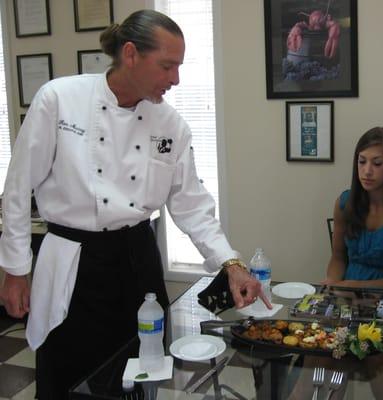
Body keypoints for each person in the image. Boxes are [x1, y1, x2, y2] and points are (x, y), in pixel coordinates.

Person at [0, 10, 270, 400]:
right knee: (69, 374)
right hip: (73, 261)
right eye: (167, 66)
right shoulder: (59, 100)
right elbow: (18, 186)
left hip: (137, 260)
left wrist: (232, 264)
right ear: (130, 55)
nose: (175, 79)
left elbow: (192, 205)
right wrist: (15, 269)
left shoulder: (171, 125)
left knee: (143, 370)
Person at [324, 127, 383, 287]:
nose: (367, 171)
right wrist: (332, 282)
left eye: (377, 163)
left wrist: (354, 287)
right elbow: (338, 257)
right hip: (346, 296)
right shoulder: (344, 203)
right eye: (362, 161)